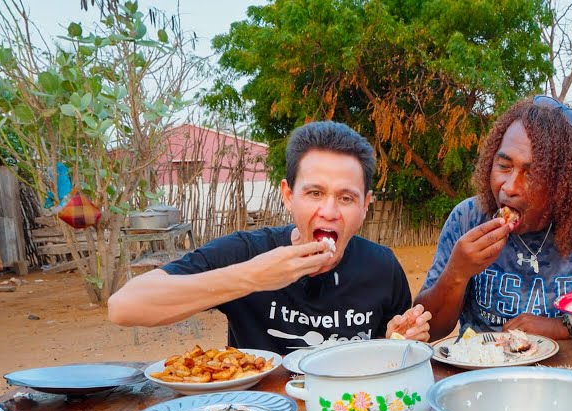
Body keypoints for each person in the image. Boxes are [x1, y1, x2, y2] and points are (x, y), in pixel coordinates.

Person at [108, 121, 430, 353]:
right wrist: (252, 277)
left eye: (346, 198)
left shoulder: (381, 266)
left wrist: (399, 340)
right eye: (315, 193)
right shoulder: (247, 251)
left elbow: (394, 348)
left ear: (365, 207)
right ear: (288, 196)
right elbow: (125, 306)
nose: (330, 211)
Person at [415, 96, 572, 341]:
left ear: (561, 186)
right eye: (504, 166)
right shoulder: (468, 218)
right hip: (482, 379)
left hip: (570, 380)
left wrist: (565, 326)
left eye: (532, 174)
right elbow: (429, 329)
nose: (509, 187)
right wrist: (456, 274)